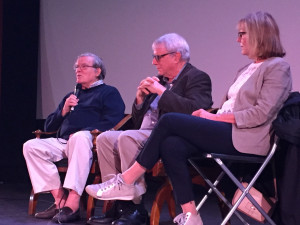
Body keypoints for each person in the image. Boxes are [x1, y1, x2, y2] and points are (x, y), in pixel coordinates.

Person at [85, 11, 293, 225]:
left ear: (259, 34)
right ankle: (191, 215)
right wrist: (212, 118)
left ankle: (127, 180)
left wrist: (211, 119)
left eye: (242, 34)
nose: (238, 40)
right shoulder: (246, 69)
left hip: (247, 137)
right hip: (228, 130)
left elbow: (260, 114)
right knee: (171, 144)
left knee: (170, 120)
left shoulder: (277, 67)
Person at [85, 33, 213, 225]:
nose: (154, 62)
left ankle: (134, 206)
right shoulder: (160, 80)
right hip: (143, 134)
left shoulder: (196, 77)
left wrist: (162, 92)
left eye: (158, 56)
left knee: (126, 138)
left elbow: (194, 111)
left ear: (175, 56)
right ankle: (119, 202)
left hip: (169, 136)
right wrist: (139, 100)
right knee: (105, 138)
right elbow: (138, 123)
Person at [23, 52, 125, 223]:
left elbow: (112, 120)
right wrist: (63, 110)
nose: (78, 70)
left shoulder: (109, 92)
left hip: (90, 142)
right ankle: (59, 199)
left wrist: (85, 131)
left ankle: (73, 201)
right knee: (31, 146)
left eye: (84, 66)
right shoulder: (72, 95)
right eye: (76, 67)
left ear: (97, 71)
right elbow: (49, 127)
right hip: (64, 142)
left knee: (79, 137)